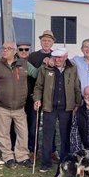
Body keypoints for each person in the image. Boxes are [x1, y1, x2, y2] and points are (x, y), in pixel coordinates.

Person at [0, 41, 39, 168]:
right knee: (3, 133)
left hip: (20, 106)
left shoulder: (24, 64)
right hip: (1, 106)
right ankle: (8, 157)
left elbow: (37, 73)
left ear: (14, 51)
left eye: (8, 48)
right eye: (3, 48)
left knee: (23, 132)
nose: (5, 50)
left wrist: (48, 64)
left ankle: (22, 157)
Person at [33, 47, 82, 172]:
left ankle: (64, 161)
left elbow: (77, 86)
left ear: (65, 56)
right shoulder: (45, 68)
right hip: (49, 107)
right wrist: (37, 99)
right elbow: (38, 86)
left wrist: (78, 103)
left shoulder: (72, 68)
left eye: (60, 57)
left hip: (67, 108)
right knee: (47, 136)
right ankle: (46, 163)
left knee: (65, 136)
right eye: (55, 57)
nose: (57, 60)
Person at [28, 32, 57, 160]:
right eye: (44, 40)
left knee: (50, 125)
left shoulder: (57, 56)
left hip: (52, 95)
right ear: (40, 42)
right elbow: (30, 75)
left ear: (52, 43)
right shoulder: (33, 56)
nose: (46, 42)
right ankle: (32, 149)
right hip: (36, 94)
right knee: (34, 123)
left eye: (49, 41)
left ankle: (52, 150)